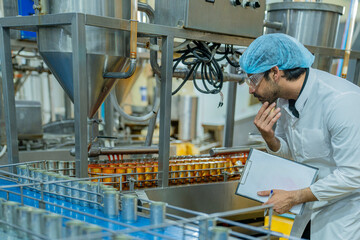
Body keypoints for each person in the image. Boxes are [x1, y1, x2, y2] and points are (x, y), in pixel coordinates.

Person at [239, 33, 360, 240]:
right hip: (309, 212)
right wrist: (271, 140)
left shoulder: (341, 101)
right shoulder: (286, 100)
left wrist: (295, 196)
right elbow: (296, 158)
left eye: (254, 79)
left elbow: (354, 174)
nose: (251, 89)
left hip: (344, 217)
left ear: (275, 72)